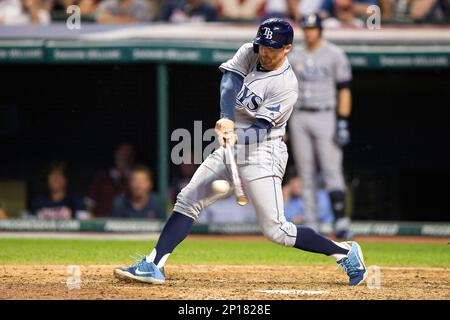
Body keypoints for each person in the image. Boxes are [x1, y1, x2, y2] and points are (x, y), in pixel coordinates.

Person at [114, 18, 366, 287]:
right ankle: (153, 264)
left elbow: (260, 129)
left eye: (273, 48)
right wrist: (226, 119)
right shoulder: (250, 51)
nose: (266, 52)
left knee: (277, 231)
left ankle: (344, 252)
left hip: (264, 149)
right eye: (263, 45)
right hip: (232, 140)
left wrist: (237, 135)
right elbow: (229, 82)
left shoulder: (287, 86)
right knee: (188, 199)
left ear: (288, 48)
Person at [288, 13, 353, 239]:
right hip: (299, 116)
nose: (309, 32)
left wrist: (342, 120)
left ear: (320, 30)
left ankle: (341, 220)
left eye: (313, 28)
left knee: (330, 169)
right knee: (305, 172)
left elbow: (344, 89)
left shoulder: (334, 54)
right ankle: (311, 222)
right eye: (306, 28)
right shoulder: (295, 54)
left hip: (325, 114)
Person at [88, 143, 135, 217]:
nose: (124, 157)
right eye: (121, 154)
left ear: (132, 158)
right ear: (115, 154)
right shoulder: (102, 176)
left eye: (128, 154)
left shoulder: (134, 179)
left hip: (125, 222)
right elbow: (90, 202)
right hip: (101, 219)